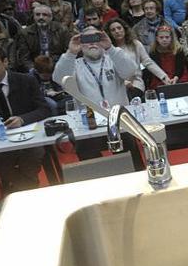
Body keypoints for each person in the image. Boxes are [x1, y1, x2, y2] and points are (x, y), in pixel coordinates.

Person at [52, 26, 142, 167]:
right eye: (87, 40)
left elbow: (130, 70)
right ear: (81, 44)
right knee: (92, 168)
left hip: (118, 122)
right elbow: (59, 78)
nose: (92, 43)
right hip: (89, 125)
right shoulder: (75, 64)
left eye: (96, 38)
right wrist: (70, 53)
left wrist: (110, 48)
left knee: (132, 162)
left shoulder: (113, 59)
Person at [0, 44, 50, 194]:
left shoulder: (26, 81)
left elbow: (44, 109)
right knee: (2, 165)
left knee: (31, 159)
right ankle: (29, 190)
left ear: (5, 62)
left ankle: (19, 192)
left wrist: (22, 119)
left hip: (29, 136)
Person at [104, 17, 171, 99]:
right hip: (116, 85)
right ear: (109, 33)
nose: (117, 31)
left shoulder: (135, 44)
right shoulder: (108, 49)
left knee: (131, 94)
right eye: (113, 30)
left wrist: (163, 76)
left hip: (135, 83)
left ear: (124, 29)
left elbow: (148, 62)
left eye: (119, 28)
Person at [146, 25, 188, 90]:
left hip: (178, 75)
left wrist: (175, 78)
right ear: (157, 38)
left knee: (181, 86)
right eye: (161, 37)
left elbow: (180, 67)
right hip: (161, 76)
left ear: (171, 38)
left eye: (167, 37)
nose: (164, 40)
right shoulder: (153, 52)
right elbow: (155, 69)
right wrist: (164, 78)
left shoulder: (178, 49)